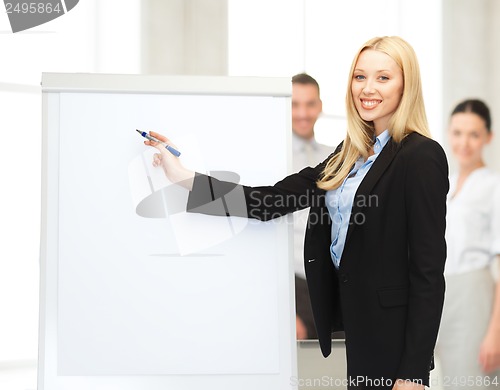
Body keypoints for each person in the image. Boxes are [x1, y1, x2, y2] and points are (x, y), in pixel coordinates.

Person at [145, 36, 448, 389]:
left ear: (406, 86)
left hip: (395, 340)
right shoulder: (348, 154)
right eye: (359, 77)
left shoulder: (421, 156)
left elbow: (428, 274)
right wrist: (183, 177)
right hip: (360, 327)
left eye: (383, 78)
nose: (367, 88)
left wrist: (412, 374)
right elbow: (269, 201)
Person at [436, 99, 500, 388]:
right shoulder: (444, 185)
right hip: (440, 295)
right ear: (449, 134)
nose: (464, 142)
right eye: (458, 133)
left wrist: (495, 333)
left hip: (474, 296)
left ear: (488, 137)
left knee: (470, 382)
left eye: (474, 134)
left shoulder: (493, 186)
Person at [291, 72, 332, 340]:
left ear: (320, 106)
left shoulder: (335, 158)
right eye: (295, 104)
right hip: (292, 281)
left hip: (329, 280)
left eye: (310, 104)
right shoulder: (272, 158)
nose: (303, 113)